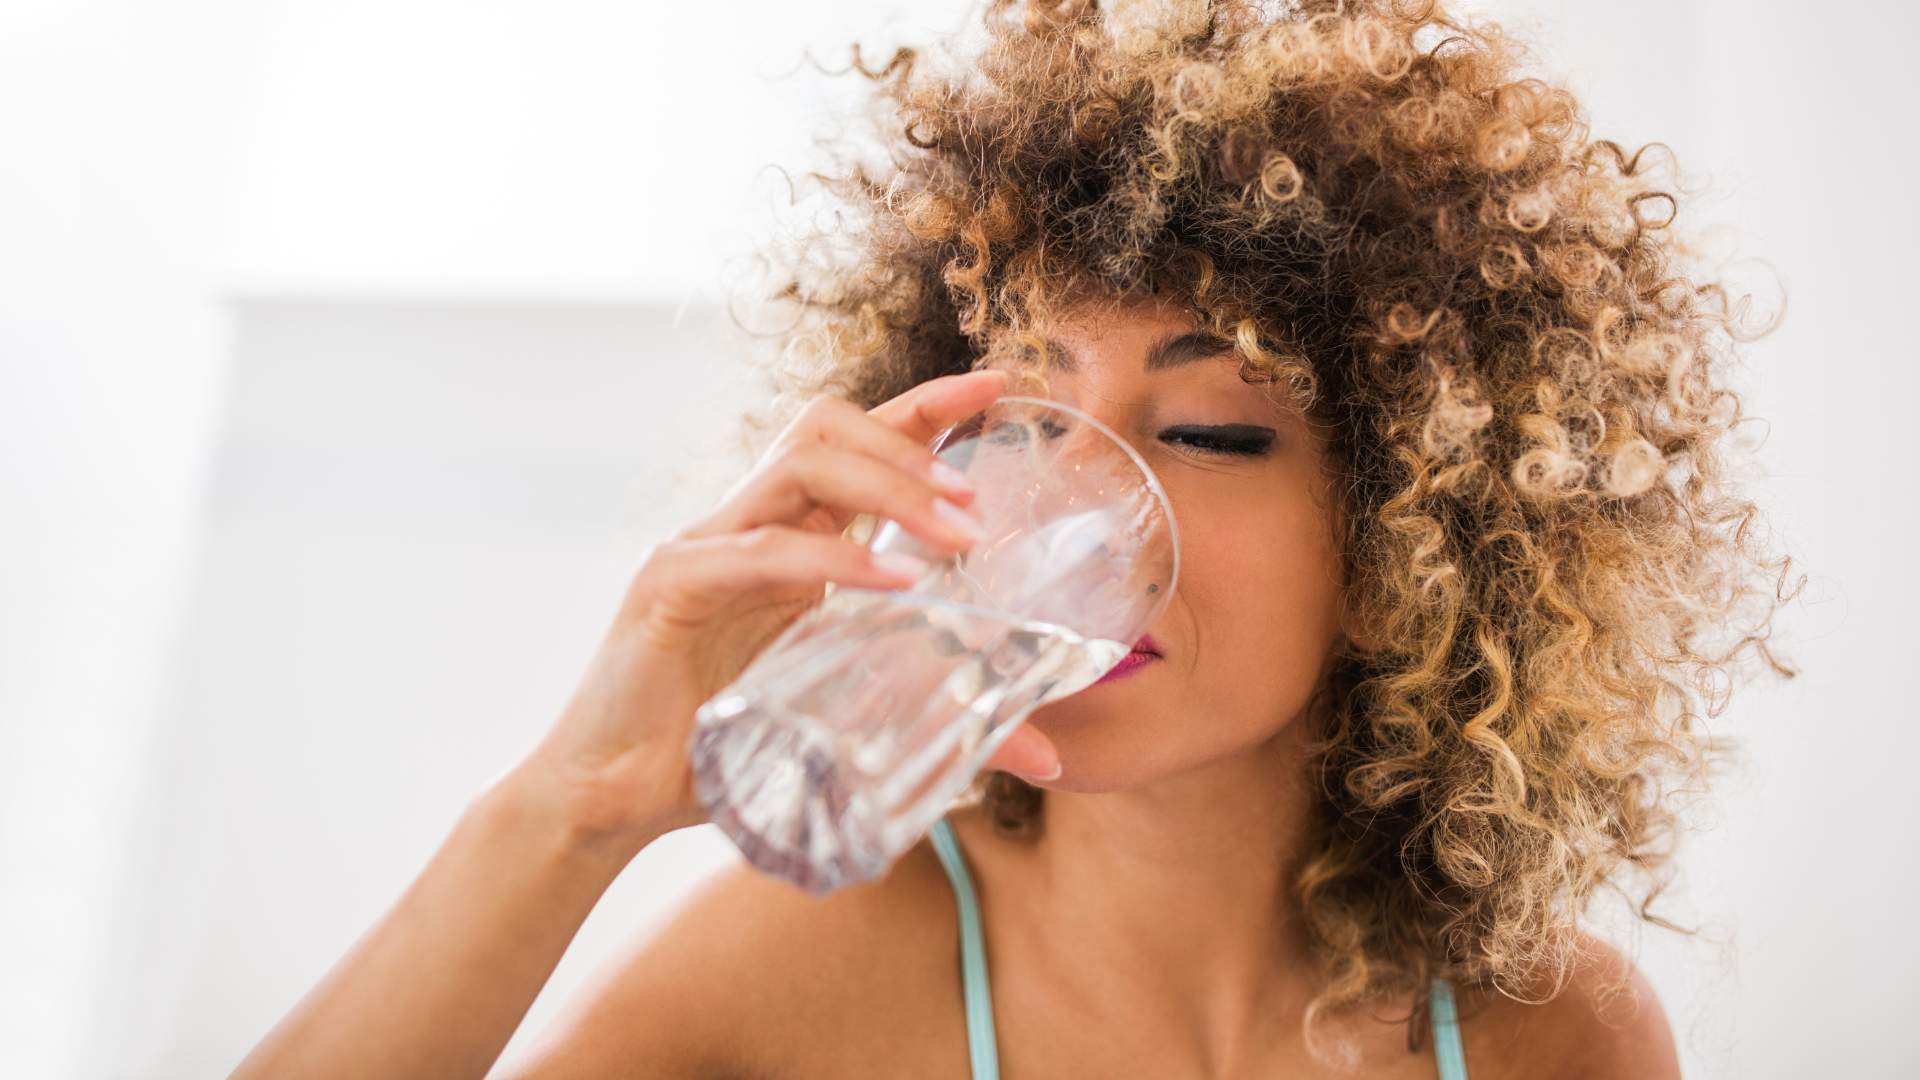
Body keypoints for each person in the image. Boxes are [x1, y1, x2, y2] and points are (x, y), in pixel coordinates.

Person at [232, 1, 1787, 1077]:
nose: (1071, 509)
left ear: (1402, 560)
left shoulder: (1548, 1035)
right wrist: (569, 811)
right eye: (1026, 416)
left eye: (1210, 431)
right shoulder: (811, 973)